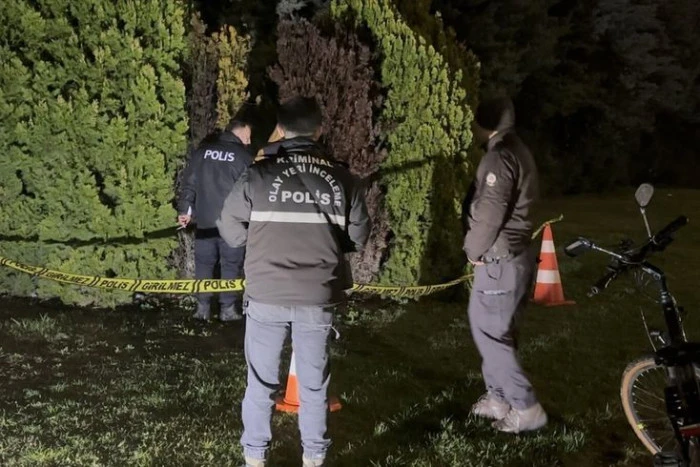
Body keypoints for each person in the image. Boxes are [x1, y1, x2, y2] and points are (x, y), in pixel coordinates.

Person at [217, 96, 370, 467]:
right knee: (314, 386)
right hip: (317, 295)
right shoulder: (342, 178)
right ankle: (314, 457)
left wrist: (258, 240)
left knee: (260, 383)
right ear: (319, 130)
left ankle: (255, 457)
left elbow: (229, 228)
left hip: (266, 293)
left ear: (281, 130)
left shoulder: (258, 174)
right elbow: (359, 236)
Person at [462, 96, 547, 433]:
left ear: (484, 123)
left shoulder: (498, 158)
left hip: (499, 259)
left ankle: (526, 406)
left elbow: (490, 213)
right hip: (515, 256)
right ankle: (498, 398)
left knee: (490, 333)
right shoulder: (517, 149)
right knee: (498, 332)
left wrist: (473, 250)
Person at [178, 120, 253, 321]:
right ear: (238, 134)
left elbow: (189, 185)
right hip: (234, 225)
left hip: (204, 222)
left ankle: (202, 309)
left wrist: (185, 210)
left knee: (203, 264)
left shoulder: (202, 153)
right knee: (231, 265)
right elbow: (251, 191)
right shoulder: (245, 157)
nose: (249, 141)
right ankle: (227, 309)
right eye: (248, 137)